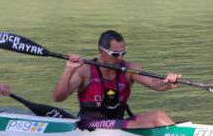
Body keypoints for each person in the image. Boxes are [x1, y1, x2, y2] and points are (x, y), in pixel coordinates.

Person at [53, 30, 181, 129]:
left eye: (123, 53)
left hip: (119, 122)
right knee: (137, 126)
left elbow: (155, 84)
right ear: (101, 52)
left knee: (158, 115)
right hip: (90, 125)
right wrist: (69, 70)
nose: (120, 58)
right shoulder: (85, 70)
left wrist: (169, 83)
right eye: (115, 54)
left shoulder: (130, 69)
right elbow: (58, 98)